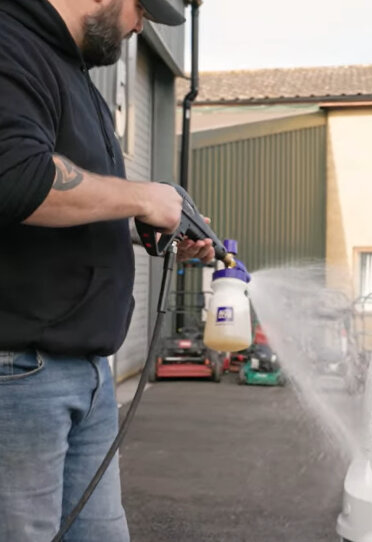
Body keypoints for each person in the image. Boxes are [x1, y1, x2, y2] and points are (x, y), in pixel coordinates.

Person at [0, 0, 212, 540]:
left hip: (87, 373)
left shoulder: (74, 75)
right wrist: (144, 197)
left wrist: (154, 223)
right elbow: (17, 179)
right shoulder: (10, 44)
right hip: (21, 375)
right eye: (142, 8)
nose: (141, 25)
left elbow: (78, 202)